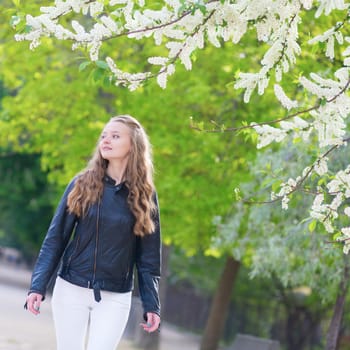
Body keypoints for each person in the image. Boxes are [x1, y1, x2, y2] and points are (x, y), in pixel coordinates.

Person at [25, 115, 161, 350]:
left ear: (133, 145)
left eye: (115, 136)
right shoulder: (82, 184)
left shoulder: (144, 195)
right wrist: (37, 286)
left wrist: (152, 304)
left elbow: (148, 258)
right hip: (71, 289)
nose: (106, 140)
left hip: (115, 296)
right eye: (104, 135)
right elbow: (55, 239)